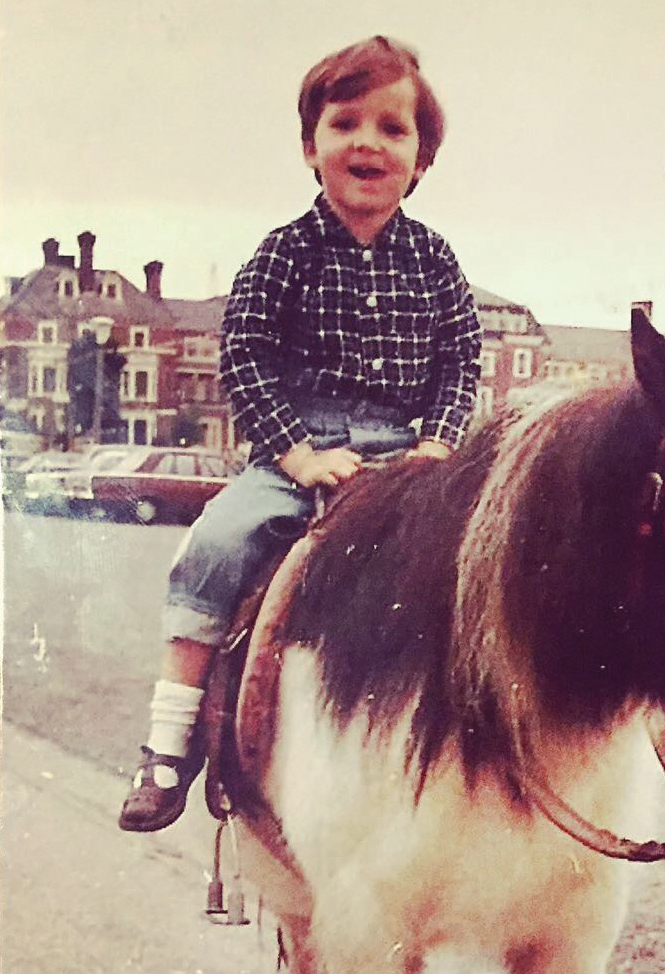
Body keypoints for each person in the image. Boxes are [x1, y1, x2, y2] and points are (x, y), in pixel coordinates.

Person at [119, 35, 482, 832]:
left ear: (421, 160)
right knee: (214, 546)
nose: (367, 142)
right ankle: (167, 745)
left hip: (410, 460)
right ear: (310, 146)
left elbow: (462, 361)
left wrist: (440, 443)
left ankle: (475, 750)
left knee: (487, 569)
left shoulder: (437, 262)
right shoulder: (283, 253)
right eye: (345, 122)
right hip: (298, 455)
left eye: (393, 128)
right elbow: (243, 356)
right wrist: (297, 453)